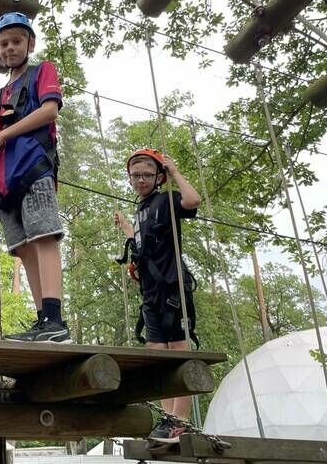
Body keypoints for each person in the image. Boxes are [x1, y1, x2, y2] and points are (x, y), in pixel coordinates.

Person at [0, 12, 69, 343]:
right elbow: (1, 137)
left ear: (30, 44)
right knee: (23, 248)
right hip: (4, 179)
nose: (10, 48)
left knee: (43, 236)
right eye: (4, 44)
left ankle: (56, 320)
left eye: (17, 41)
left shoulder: (41, 71)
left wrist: (1, 137)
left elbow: (49, 110)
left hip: (33, 167)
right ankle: (43, 319)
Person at [114, 149, 202, 443]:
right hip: (150, 293)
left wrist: (174, 171)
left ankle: (180, 420)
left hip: (172, 288)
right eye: (136, 175)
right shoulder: (141, 209)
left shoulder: (167, 200)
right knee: (157, 356)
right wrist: (127, 230)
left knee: (178, 350)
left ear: (158, 178)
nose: (140, 180)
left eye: (147, 175)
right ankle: (167, 419)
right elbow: (143, 245)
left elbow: (193, 200)